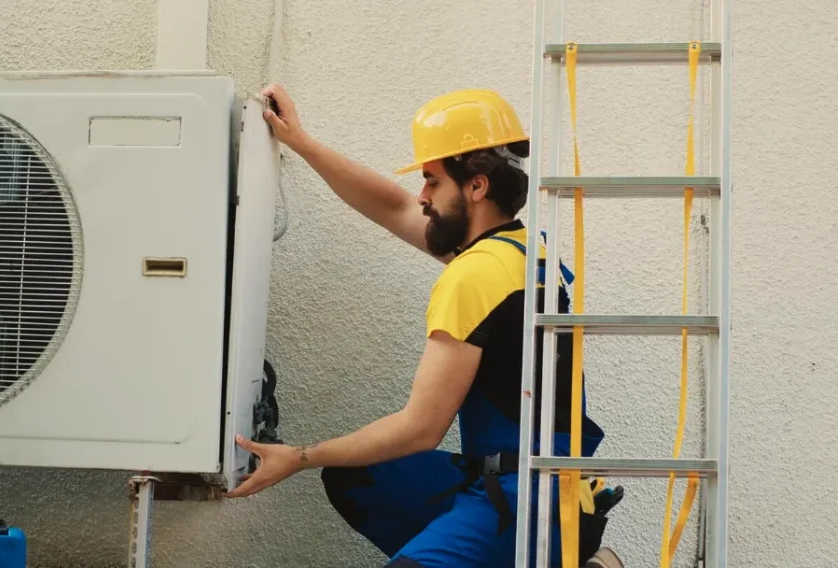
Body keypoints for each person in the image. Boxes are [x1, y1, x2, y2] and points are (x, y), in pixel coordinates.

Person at [225, 83, 624, 568]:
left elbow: (420, 430)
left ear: (476, 186)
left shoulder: (474, 276)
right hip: (547, 481)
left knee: (348, 466)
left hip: (524, 499)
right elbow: (394, 207)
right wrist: (302, 142)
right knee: (358, 476)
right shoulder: (521, 250)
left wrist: (300, 456)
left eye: (433, 181)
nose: (422, 195)